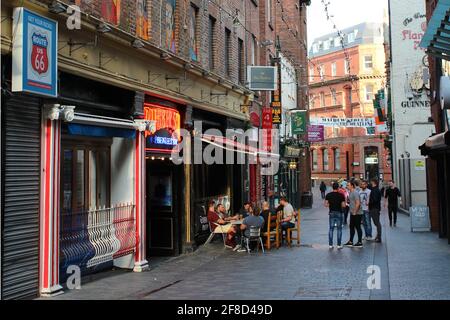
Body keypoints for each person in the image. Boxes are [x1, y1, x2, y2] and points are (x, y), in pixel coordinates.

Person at [324, 182, 346, 249]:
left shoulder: (328, 195)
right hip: (339, 212)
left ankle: (330, 245)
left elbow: (325, 205)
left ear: (332, 187)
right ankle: (339, 245)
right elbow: (343, 205)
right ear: (338, 187)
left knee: (331, 229)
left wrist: (330, 204)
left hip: (331, 213)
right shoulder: (341, 195)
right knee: (339, 229)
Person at [344, 181, 363, 248]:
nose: (347, 186)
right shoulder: (350, 192)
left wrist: (355, 211)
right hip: (353, 213)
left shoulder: (355, 192)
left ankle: (360, 242)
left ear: (352, 186)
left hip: (357, 213)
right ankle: (351, 241)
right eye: (347, 185)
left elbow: (358, 203)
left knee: (358, 227)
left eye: (348, 185)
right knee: (351, 227)